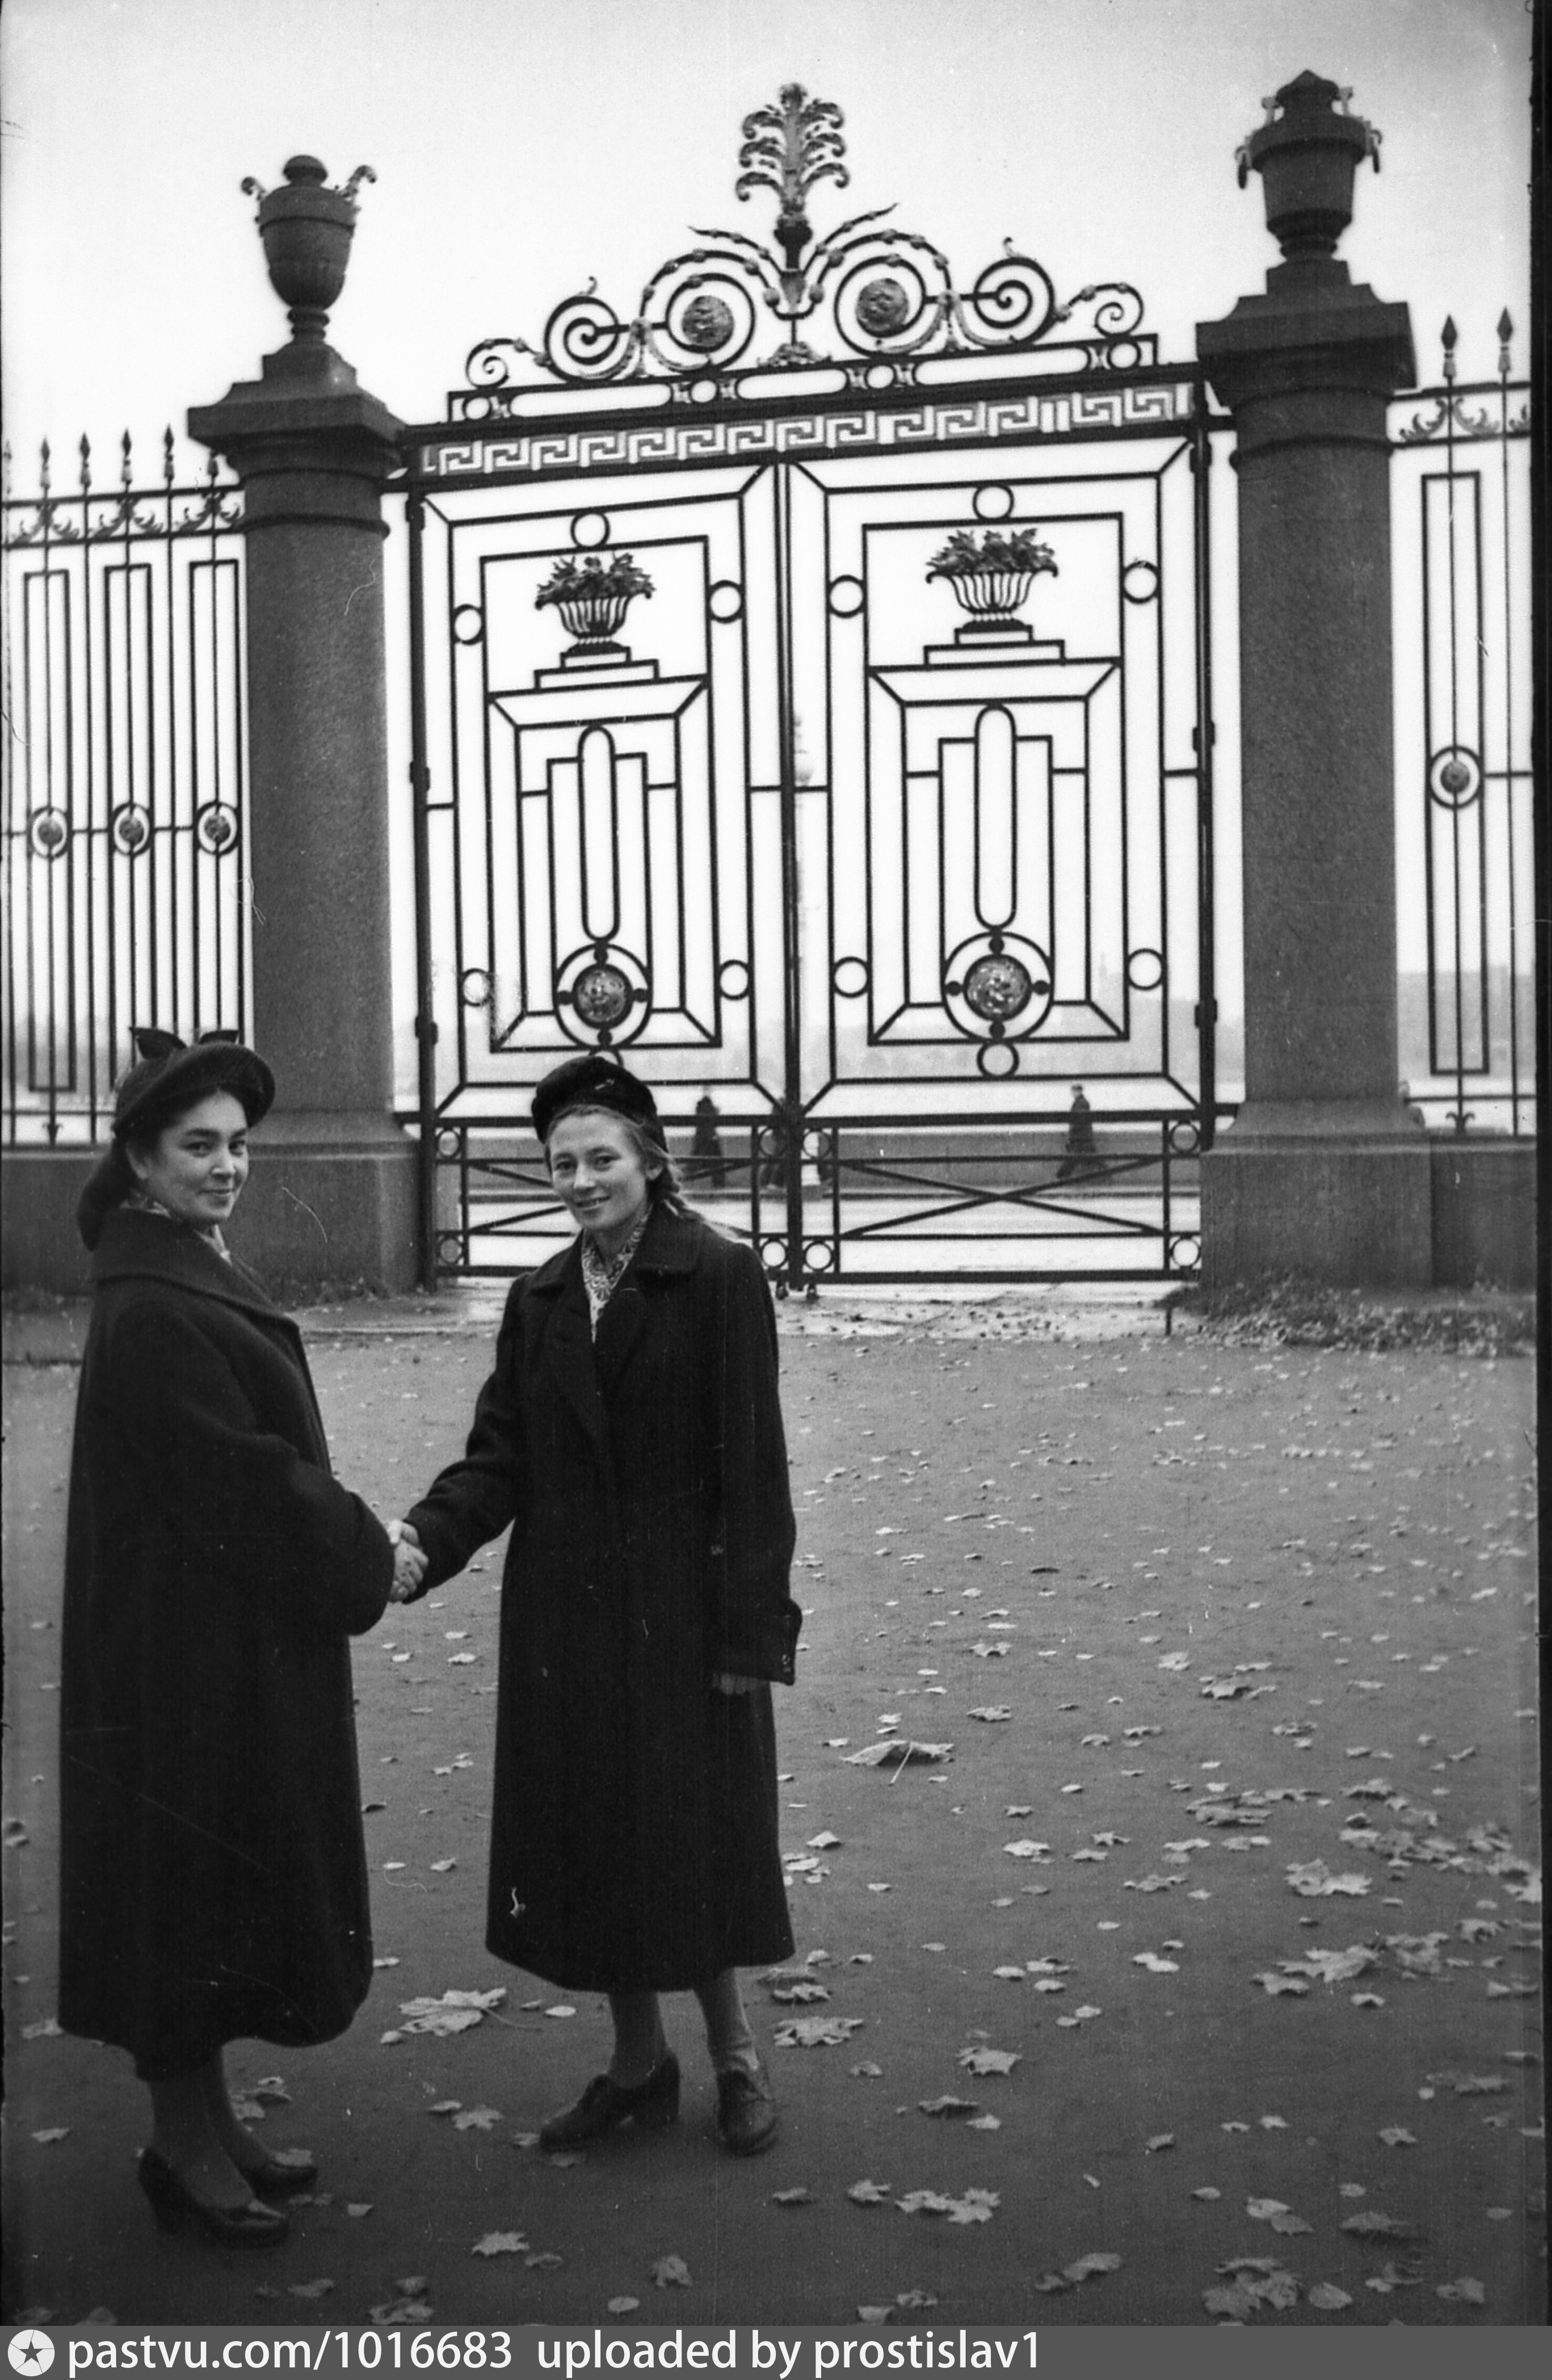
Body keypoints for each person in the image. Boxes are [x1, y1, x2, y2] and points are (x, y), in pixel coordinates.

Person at [390, 1052, 800, 2156]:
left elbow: (753, 1466)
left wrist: (748, 1631)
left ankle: (735, 2054)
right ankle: (637, 2062)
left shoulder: (718, 1274)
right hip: (565, 1615)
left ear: (650, 1160)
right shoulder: (537, 1297)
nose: (579, 1180)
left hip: (684, 1612)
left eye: (600, 1158)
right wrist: (420, 1542)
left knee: (691, 1831)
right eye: (560, 1163)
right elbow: (500, 1456)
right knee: (599, 1835)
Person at [59, 1029, 394, 2247]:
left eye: (239, 1145)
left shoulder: (171, 1266)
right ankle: (181, 2147)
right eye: (199, 1145)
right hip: (178, 1654)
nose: (228, 1165)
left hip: (208, 1633)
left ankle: (208, 2125)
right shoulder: (152, 1303)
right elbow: (242, 1478)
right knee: (180, 1891)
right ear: (141, 1160)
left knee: (202, 1886)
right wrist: (369, 1549)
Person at [1056, 1082, 1099, 1181]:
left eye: (1074, 1091)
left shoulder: (1081, 1103)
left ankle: (1061, 1176)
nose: (1073, 1093)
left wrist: (1072, 1135)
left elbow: (1078, 1120)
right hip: (1083, 1137)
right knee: (1092, 1158)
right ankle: (1106, 1175)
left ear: (1079, 1092)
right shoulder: (1081, 1102)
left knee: (1073, 1159)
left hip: (1080, 1137)